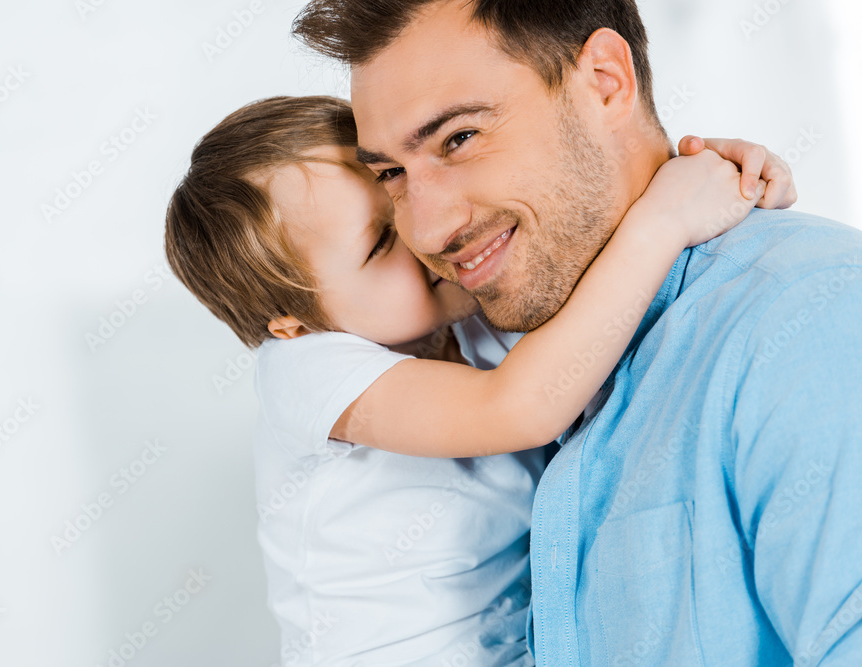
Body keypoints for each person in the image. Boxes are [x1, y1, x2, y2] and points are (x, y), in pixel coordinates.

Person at [292, 0, 862, 664]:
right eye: (391, 173)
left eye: (460, 138)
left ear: (605, 82)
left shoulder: (809, 321)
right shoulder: (495, 353)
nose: (427, 231)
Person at [164, 92, 796, 663]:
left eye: (400, 188)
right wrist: (664, 220)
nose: (424, 232)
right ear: (293, 322)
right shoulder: (305, 372)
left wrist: (705, 177)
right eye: (380, 244)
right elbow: (521, 407)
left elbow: (600, 281)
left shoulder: (466, 316)